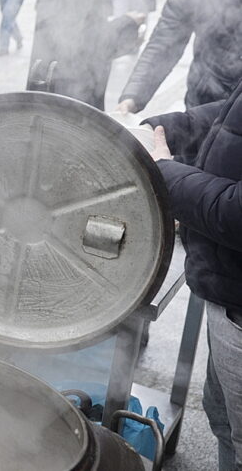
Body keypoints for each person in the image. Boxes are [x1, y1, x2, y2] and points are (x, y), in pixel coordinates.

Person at [141, 80, 242, 470]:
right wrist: (156, 130)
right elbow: (230, 119)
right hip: (228, 291)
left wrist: (165, 172)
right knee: (222, 420)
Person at [28, 0, 146, 109]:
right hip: (63, 102)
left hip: (76, 98)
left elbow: (94, 47)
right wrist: (126, 23)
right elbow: (79, 49)